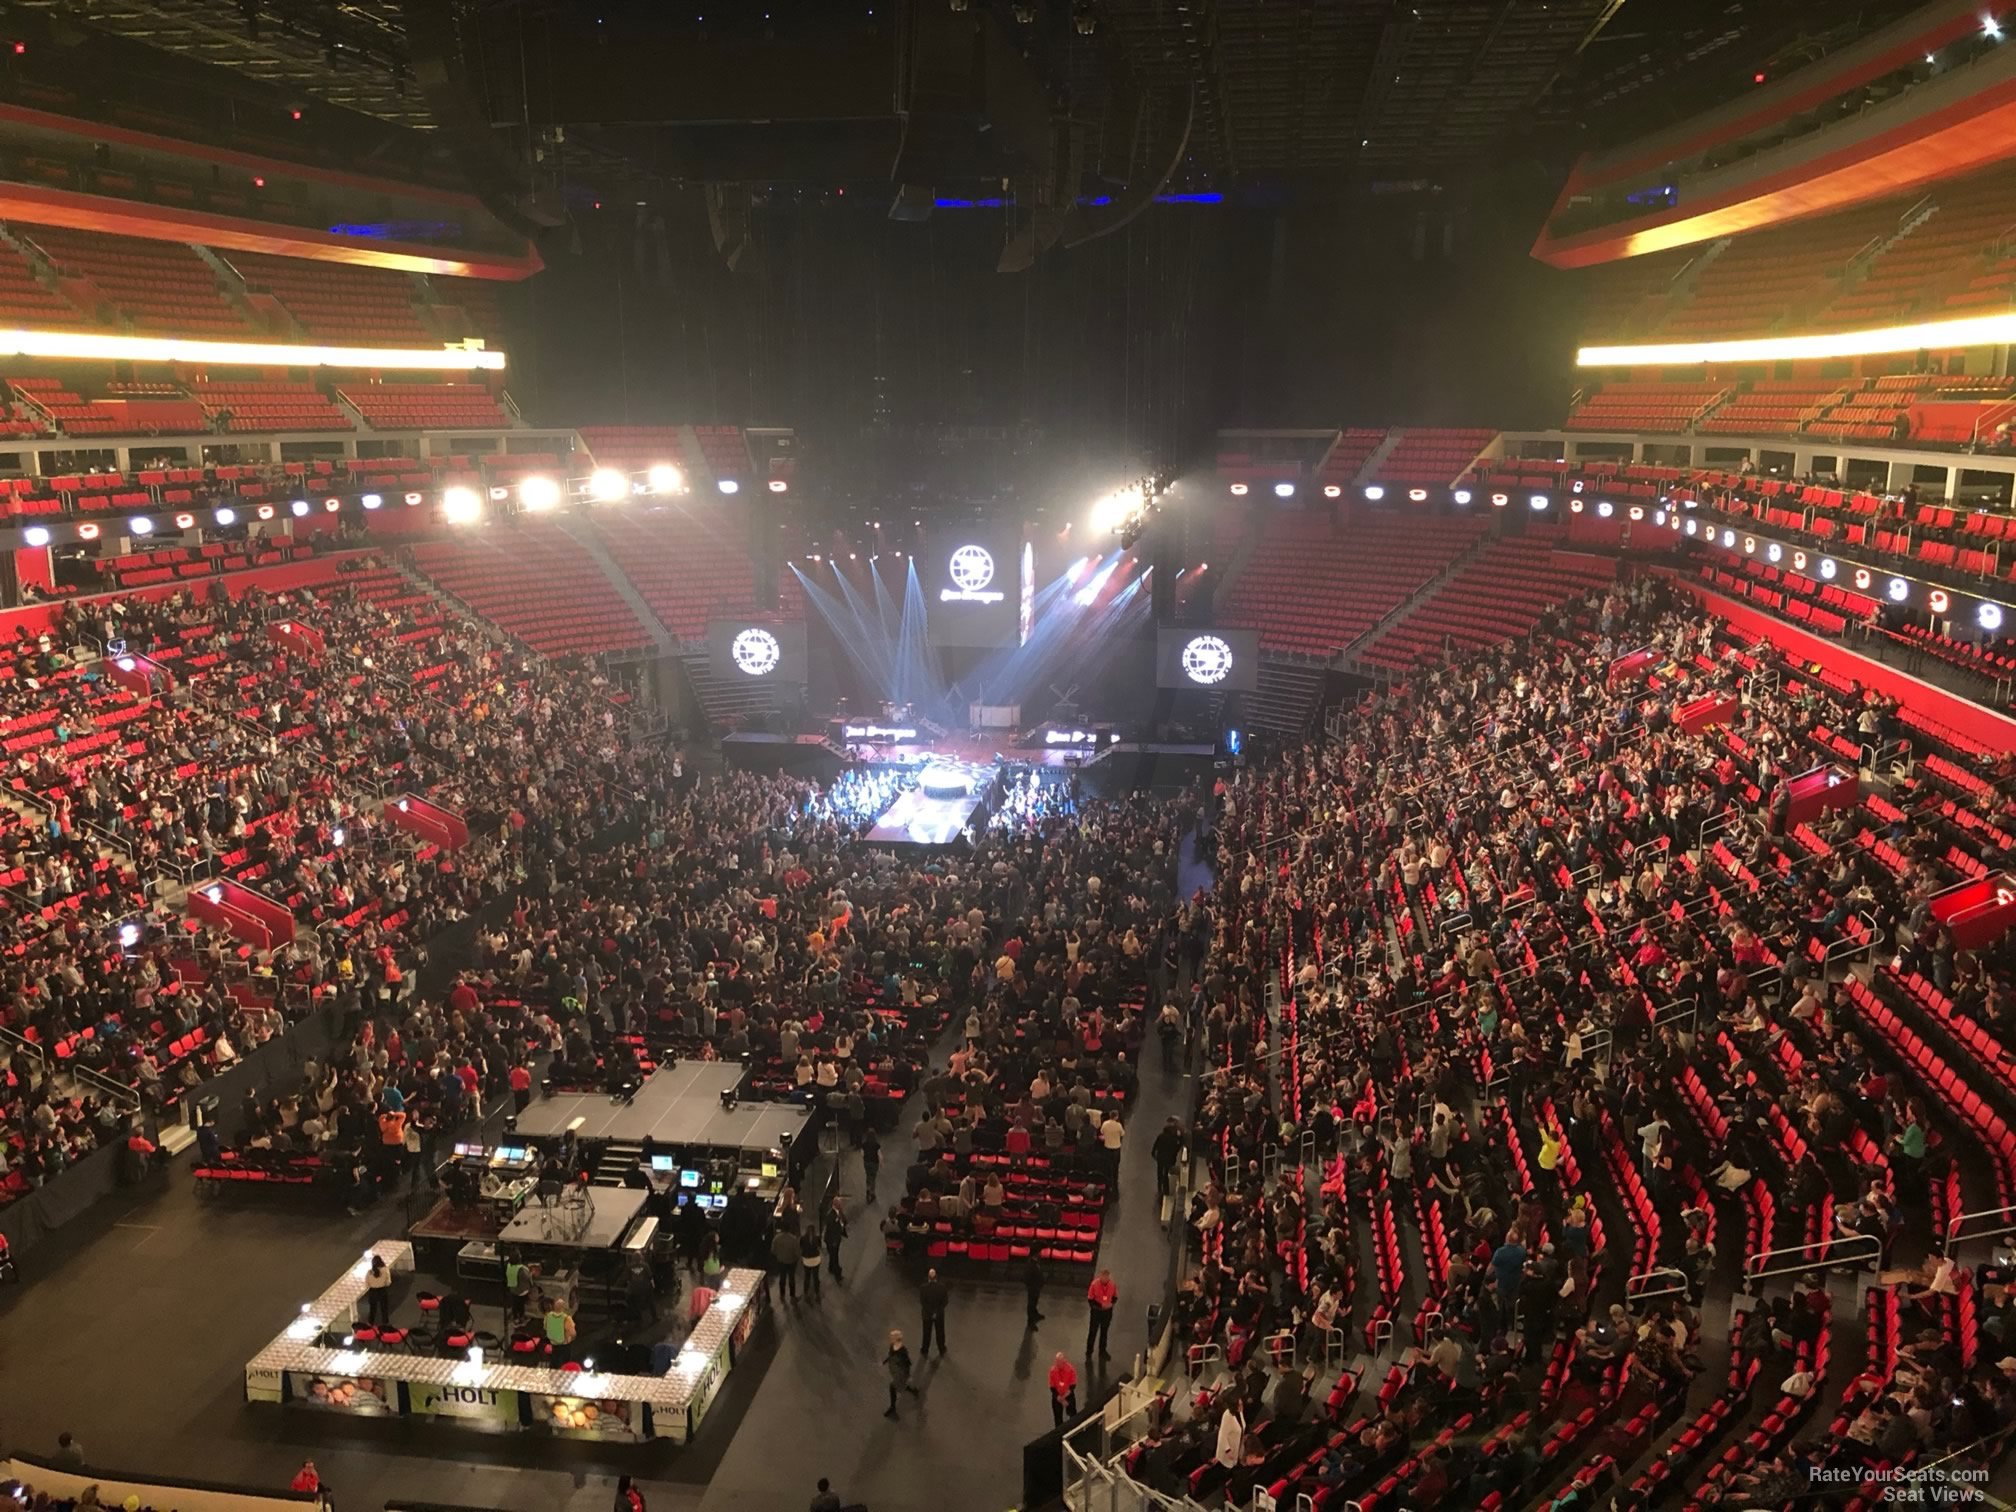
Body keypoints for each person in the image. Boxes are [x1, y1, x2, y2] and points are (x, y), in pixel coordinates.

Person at [883, 1328, 918, 1418]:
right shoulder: (892, 1346)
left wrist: (906, 1374)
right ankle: (912, 1390)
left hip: (901, 1373)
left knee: (892, 1387)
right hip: (896, 1371)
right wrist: (886, 1361)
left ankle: (893, 1407)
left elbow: (907, 1363)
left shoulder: (902, 1351)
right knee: (901, 1385)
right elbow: (891, 1355)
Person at [1086, 1268, 1117, 1358]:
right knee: (1093, 1332)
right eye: (1103, 1276)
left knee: (1104, 1332)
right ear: (1100, 1276)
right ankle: (1089, 1351)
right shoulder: (1094, 1284)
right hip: (1096, 1312)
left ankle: (1102, 1351)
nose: (1105, 1278)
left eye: (1107, 1277)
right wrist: (1100, 1305)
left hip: (1107, 1312)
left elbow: (1115, 1297)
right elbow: (1090, 1300)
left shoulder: (1112, 1285)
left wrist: (1111, 1304)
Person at [919, 1265, 950, 1357]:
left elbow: (923, 1302)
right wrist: (936, 1312)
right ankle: (941, 1349)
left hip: (927, 1315)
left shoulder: (923, 1288)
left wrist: (930, 1312)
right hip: (939, 1315)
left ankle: (925, 1349)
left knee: (926, 1333)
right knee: (940, 1332)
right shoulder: (942, 1287)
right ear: (937, 1277)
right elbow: (945, 1302)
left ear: (928, 1277)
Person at [1151, 1118, 1184, 1201]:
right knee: (1166, 1173)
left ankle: (1159, 1188)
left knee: (1159, 1172)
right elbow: (1177, 1146)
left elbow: (1155, 1146)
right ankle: (1166, 1190)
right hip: (1169, 1158)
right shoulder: (1173, 1139)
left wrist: (1153, 1154)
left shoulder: (1161, 1136)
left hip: (1160, 1157)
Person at [1048, 1350, 1079, 1426]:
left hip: (1068, 1395)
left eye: (1060, 1362)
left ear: (1064, 1361)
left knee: (1073, 1416)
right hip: (1057, 1396)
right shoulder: (1052, 1371)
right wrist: (1060, 1399)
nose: (1058, 1364)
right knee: (1057, 1417)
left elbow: (1072, 1386)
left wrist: (1064, 1398)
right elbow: (1052, 1387)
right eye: (1057, 1362)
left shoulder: (1070, 1370)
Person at [363, 1253, 393, 1329]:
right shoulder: (385, 1270)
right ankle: (385, 1323)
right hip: (382, 1291)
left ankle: (370, 1323)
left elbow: (366, 1284)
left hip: (372, 1291)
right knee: (384, 1308)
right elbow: (388, 1282)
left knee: (372, 1308)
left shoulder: (369, 1272)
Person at [1023, 1252, 1046, 1328]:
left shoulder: (1036, 1263)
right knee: (1031, 1304)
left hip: (1036, 1287)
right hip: (1033, 1287)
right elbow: (1027, 1278)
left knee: (1035, 1301)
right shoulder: (1030, 1265)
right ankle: (1030, 1321)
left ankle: (1035, 1314)